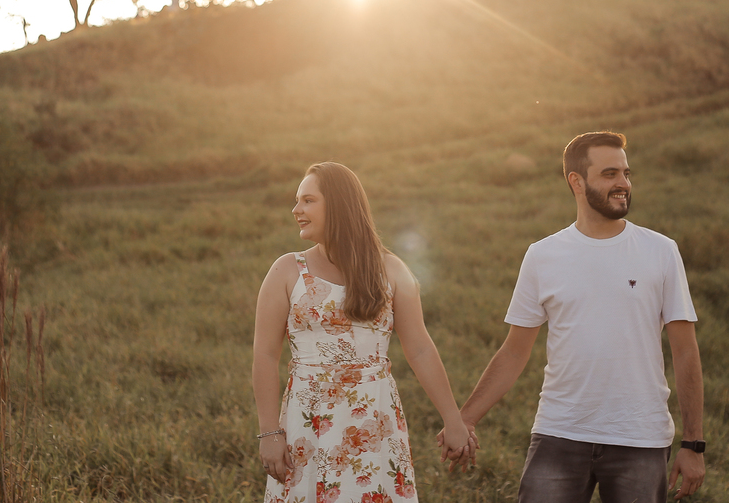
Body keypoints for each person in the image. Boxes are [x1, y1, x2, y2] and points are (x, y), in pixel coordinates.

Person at [441, 131, 705, 502]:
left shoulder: (660, 251)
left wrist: (694, 443)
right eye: (610, 174)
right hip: (559, 433)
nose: (623, 184)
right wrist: (465, 418)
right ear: (576, 181)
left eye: (627, 174)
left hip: (639, 438)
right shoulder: (542, 255)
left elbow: (685, 351)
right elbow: (515, 352)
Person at [253, 162, 473, 502]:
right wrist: (269, 432)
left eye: (308, 200)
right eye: (298, 201)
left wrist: (453, 419)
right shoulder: (286, 270)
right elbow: (265, 354)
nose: (296, 210)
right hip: (308, 422)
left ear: (338, 205)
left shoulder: (391, 270)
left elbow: (420, 350)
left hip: (374, 421)